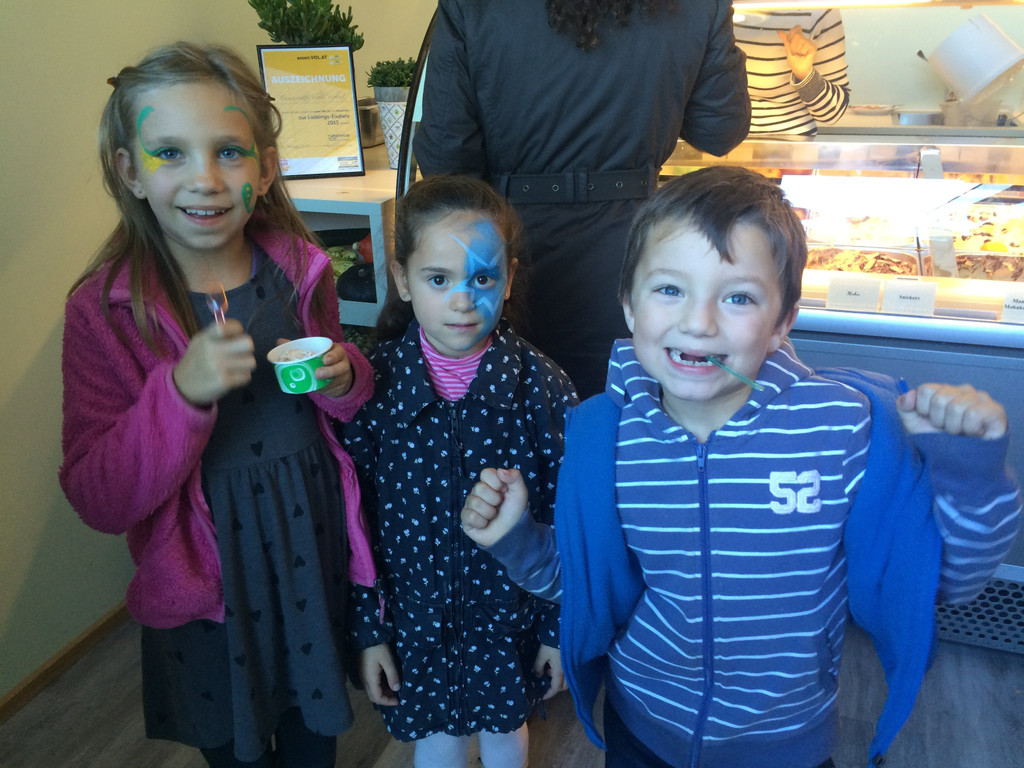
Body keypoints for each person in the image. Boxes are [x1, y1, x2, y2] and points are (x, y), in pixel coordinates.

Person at [460, 166, 1022, 768]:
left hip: (786, 746)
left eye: (738, 297)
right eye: (669, 289)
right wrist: (516, 542)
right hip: (641, 729)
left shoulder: (844, 430)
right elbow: (586, 589)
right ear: (628, 305)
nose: (699, 322)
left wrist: (970, 471)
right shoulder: (606, 439)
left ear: (782, 322)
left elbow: (949, 581)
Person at [58, 42, 377, 768]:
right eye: (170, 153)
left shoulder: (300, 270)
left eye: (229, 151)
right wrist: (178, 394)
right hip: (208, 595)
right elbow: (98, 496)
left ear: (265, 169)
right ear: (130, 171)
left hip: (309, 558)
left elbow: (346, 400)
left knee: (314, 742)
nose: (204, 178)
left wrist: (346, 376)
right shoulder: (106, 311)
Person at [341, 175, 578, 768]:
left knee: (505, 736)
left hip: (510, 623)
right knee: (438, 744)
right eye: (438, 279)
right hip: (416, 625)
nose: (463, 300)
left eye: (482, 278)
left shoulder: (542, 389)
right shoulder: (374, 387)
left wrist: (559, 629)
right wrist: (370, 631)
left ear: (509, 278)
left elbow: (569, 518)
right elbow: (355, 523)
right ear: (402, 280)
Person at [413, 0, 751, 399]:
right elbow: (720, 130)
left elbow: (445, 154)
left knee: (511, 420)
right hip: (634, 257)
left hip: (508, 261)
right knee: (624, 415)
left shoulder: (473, 5)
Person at [733, 8, 851, 135]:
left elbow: (834, 112)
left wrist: (804, 74)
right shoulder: (719, 7)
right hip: (723, 139)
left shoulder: (819, 10)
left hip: (791, 141)